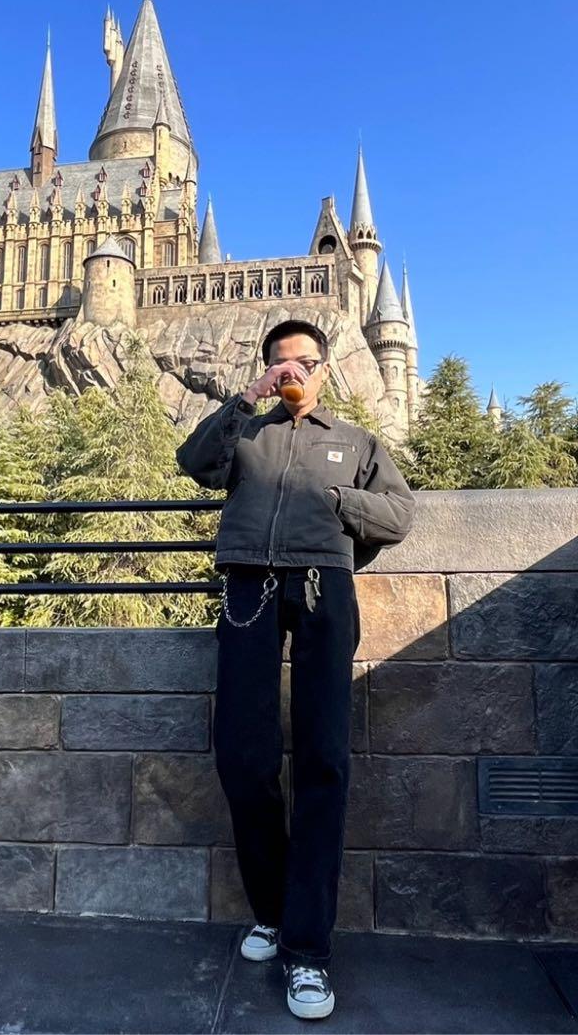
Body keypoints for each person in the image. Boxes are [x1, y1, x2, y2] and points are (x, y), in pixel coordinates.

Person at [175, 319, 416, 1020]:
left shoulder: (357, 442)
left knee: (322, 760)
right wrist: (245, 399)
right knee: (242, 756)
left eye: (305, 362)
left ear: (325, 369)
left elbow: (400, 515)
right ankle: (273, 911)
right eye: (281, 363)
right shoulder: (247, 432)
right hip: (247, 586)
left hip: (322, 590)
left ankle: (307, 950)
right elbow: (193, 462)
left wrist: (337, 502)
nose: (293, 372)